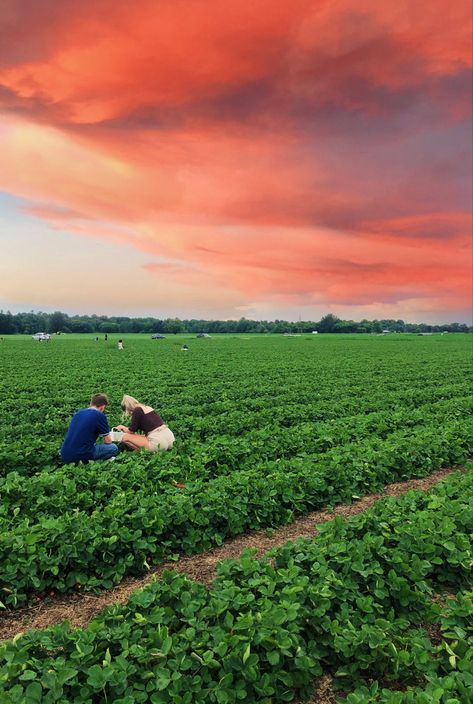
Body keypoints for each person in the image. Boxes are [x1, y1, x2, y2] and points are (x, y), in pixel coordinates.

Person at [60, 393, 119, 464]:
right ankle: (94, 461)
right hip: (81, 454)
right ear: (102, 407)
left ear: (91, 403)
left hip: (64, 454)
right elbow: (108, 441)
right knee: (113, 448)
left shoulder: (78, 413)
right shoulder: (99, 415)